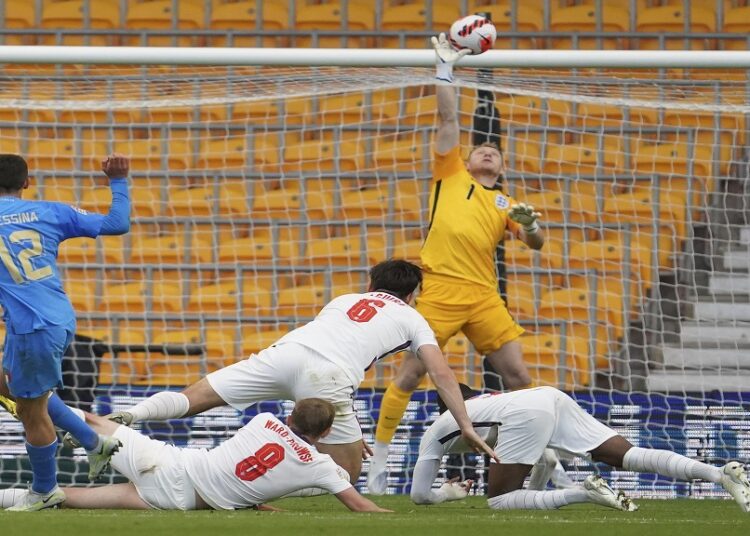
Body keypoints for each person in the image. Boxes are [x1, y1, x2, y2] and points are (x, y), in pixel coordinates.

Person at [107, 259, 498, 483]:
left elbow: (338, 339)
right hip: (327, 376)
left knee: (193, 400)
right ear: (413, 295)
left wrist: (350, 428)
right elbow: (442, 375)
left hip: (286, 353)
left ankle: (129, 416)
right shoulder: (414, 319)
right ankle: (256, 488)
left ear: (370, 284)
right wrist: (464, 423)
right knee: (343, 475)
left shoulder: (344, 299)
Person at [368, 33, 548, 494]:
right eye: (480, 149)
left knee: (520, 378)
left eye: (496, 151)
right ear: (467, 160)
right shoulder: (450, 176)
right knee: (410, 373)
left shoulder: (506, 202)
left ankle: (536, 457)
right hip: (441, 288)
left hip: (484, 295)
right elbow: (447, 118)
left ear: (502, 166)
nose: (488, 151)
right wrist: (444, 69)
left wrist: (529, 225)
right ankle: (380, 461)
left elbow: (538, 243)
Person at [0, 153, 131, 511]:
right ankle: (92, 441)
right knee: (8, 386)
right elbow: (118, 223)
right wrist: (118, 180)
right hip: (48, 318)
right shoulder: (51, 211)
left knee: (32, 411)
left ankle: (45, 491)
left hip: (34, 327)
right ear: (26, 183)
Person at [0, 398, 392, 512]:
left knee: (90, 420)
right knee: (63, 499)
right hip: (179, 500)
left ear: (291, 414)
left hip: (172, 462)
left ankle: (27, 399)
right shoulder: (321, 466)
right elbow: (360, 505)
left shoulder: (265, 421)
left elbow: (238, 468)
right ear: (326, 432)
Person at [410, 385, 750, 513]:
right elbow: (545, 458)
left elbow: (419, 496)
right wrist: (533, 499)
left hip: (526, 413)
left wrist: (447, 494)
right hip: (547, 395)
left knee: (499, 500)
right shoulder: (489, 401)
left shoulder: (438, 428)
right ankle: (719, 474)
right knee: (627, 455)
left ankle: (585, 493)